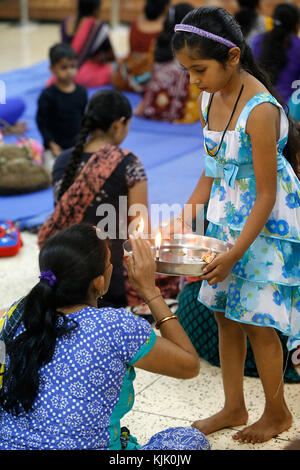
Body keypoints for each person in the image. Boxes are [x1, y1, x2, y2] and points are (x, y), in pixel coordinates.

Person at [171, 6, 300, 443]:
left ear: (231, 57)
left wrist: (235, 253)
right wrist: (182, 220)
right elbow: (210, 171)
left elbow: (266, 195)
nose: (194, 81)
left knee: (258, 321)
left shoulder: (260, 110)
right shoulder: (211, 96)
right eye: (187, 71)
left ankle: (278, 413)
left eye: (199, 70)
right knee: (226, 315)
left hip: (264, 226)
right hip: (226, 218)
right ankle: (233, 406)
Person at [0, 224, 210, 450]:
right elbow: (189, 365)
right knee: (190, 440)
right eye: (110, 261)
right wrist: (150, 292)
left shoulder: (20, 314)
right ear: (99, 282)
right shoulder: (116, 326)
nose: (113, 265)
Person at [38, 89, 148, 310]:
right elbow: (139, 231)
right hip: (109, 280)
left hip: (64, 274)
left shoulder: (62, 161)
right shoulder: (129, 163)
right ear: (119, 124)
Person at [136, 2, 201, 123]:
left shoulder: (157, 43)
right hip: (182, 112)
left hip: (151, 107)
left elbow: (147, 76)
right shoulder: (193, 49)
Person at [36, 43, 88, 170]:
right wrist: (52, 144)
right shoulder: (47, 95)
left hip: (76, 146)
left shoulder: (81, 92)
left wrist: (83, 143)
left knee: (90, 168)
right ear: (52, 69)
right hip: (55, 147)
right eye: (63, 68)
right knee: (51, 170)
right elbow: (42, 123)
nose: (69, 71)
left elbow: (86, 119)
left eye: (72, 66)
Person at [112, 0, 170, 93]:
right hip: (146, 78)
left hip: (126, 75)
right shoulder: (164, 26)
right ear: (165, 8)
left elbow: (130, 49)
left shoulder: (136, 22)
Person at [54, 0, 115, 88]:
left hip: (62, 71)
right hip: (81, 74)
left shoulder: (66, 21)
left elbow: (64, 49)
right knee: (115, 68)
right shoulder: (98, 27)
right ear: (96, 10)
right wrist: (96, 58)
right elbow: (111, 56)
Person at [251, 3, 300, 104]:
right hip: (290, 109)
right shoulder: (297, 46)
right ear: (295, 24)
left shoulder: (256, 41)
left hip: (258, 104)